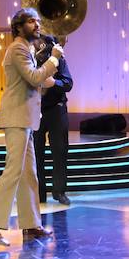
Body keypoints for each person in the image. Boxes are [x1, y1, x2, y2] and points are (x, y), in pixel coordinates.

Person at [0, 8, 61, 245]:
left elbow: (39, 79)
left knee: (28, 174)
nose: (37, 25)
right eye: (32, 21)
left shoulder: (27, 49)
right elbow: (34, 78)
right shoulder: (17, 48)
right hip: (16, 117)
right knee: (14, 171)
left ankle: (31, 225)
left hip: (24, 118)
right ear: (19, 26)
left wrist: (52, 64)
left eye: (37, 21)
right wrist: (54, 58)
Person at [33, 35, 74, 205]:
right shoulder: (28, 58)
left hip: (56, 109)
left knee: (59, 151)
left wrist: (53, 83)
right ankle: (39, 193)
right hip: (36, 109)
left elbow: (68, 83)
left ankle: (59, 191)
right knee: (36, 153)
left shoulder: (58, 58)